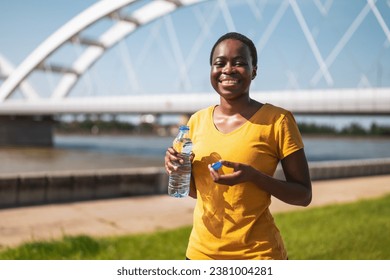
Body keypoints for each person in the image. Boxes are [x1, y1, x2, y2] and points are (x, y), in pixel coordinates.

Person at [164, 32, 312, 260]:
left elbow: (303, 196)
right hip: (200, 255)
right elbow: (196, 192)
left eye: (240, 63)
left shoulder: (278, 121)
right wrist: (177, 169)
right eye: (219, 63)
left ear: (254, 70)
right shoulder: (195, 122)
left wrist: (255, 177)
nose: (228, 69)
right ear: (212, 71)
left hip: (258, 256)